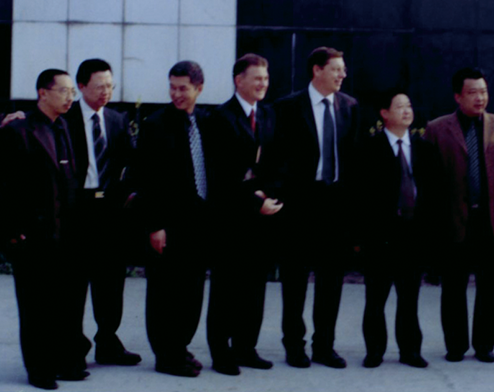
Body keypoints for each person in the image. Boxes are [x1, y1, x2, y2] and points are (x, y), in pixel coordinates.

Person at [0, 69, 87, 390]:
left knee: (61, 305)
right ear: (43, 93)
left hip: (64, 235)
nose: (70, 97)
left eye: (72, 92)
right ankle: (39, 369)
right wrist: (13, 230)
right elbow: (5, 185)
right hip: (31, 236)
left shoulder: (65, 127)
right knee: (35, 307)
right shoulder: (20, 130)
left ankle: (62, 362)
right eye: (64, 91)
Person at [273, 47, 360, 369]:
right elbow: (277, 158)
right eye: (336, 69)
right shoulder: (287, 107)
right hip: (299, 205)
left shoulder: (349, 107)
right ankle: (294, 345)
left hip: (335, 205)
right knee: (294, 281)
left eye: (343, 69)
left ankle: (325, 346)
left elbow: (353, 161)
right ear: (317, 70)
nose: (342, 75)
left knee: (331, 281)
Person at [423, 67, 494, 364]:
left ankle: (485, 345)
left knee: (489, 287)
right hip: (453, 220)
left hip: (490, 219)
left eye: (484, 91)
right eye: (473, 92)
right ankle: (456, 345)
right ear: (457, 96)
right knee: (453, 287)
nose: (480, 98)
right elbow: (430, 182)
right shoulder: (437, 129)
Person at [206, 54, 283, 376]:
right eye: (257, 78)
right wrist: (254, 201)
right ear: (239, 80)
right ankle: (221, 352)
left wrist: (268, 194)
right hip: (231, 218)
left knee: (254, 287)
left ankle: (246, 347)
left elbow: (275, 162)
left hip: (261, 217)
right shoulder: (220, 118)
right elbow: (220, 175)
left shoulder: (268, 113)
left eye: (266, 78)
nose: (263, 84)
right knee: (227, 288)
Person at [135, 61, 212, 377]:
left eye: (183, 88)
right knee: (165, 293)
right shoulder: (155, 125)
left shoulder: (206, 122)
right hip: (168, 225)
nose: (176, 94)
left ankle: (179, 346)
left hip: (199, 223)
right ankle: (165, 356)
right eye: (172, 87)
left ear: (199, 89)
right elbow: (147, 181)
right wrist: (155, 226)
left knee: (192, 291)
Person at [357, 90, 443, 369]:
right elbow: (360, 197)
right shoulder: (369, 148)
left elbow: (433, 195)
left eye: (409, 106)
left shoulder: (424, 148)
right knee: (376, 298)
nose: (407, 111)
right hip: (381, 237)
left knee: (409, 298)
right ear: (384, 113)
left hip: (413, 235)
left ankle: (410, 351)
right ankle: (374, 351)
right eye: (399, 107)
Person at [65, 59, 141, 367]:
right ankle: (73, 346)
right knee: (73, 283)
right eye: (99, 87)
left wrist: (127, 196)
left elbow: (130, 161)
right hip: (77, 210)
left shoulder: (116, 119)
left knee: (110, 282)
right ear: (81, 86)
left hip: (110, 209)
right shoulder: (65, 118)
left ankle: (108, 341)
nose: (105, 92)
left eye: (110, 86)